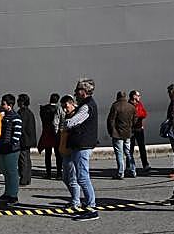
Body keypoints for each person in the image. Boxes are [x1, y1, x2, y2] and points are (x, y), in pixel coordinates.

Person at [63, 78, 100, 221]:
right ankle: (86, 204)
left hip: (82, 145)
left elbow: (73, 121)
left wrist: (66, 122)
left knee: (83, 177)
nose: (75, 93)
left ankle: (91, 207)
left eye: (77, 90)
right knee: (79, 176)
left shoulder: (86, 107)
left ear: (83, 92)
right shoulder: (86, 104)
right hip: (81, 145)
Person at [0, 93, 23, 205]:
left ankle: (13, 196)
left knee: (12, 173)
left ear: (10, 105)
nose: (2, 106)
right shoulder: (3, 117)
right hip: (3, 148)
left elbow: (17, 134)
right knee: (6, 173)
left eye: (4, 104)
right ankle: (7, 193)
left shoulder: (16, 118)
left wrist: (12, 144)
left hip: (11, 150)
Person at [107, 90, 136, 179]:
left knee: (119, 153)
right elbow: (135, 119)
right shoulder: (131, 107)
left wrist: (111, 131)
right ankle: (133, 170)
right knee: (128, 152)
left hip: (117, 133)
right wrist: (131, 128)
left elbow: (111, 120)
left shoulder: (115, 106)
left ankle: (120, 173)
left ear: (117, 96)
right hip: (128, 133)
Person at [37, 93, 62, 179]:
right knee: (58, 154)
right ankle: (59, 173)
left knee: (48, 154)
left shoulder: (44, 109)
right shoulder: (58, 109)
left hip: (47, 133)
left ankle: (48, 173)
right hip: (56, 133)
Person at [17, 93, 36, 186]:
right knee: (27, 159)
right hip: (28, 139)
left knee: (23, 160)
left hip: (23, 140)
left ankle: (24, 178)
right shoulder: (29, 112)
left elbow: (21, 127)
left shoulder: (22, 113)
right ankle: (27, 178)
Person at [130, 90, 150, 171]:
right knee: (130, 149)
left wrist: (138, 115)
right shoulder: (129, 105)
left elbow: (144, 113)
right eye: (138, 95)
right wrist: (138, 115)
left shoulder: (139, 104)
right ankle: (129, 166)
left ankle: (145, 164)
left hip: (139, 128)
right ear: (134, 96)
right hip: (131, 129)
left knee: (142, 147)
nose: (139, 97)